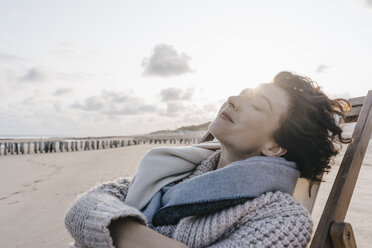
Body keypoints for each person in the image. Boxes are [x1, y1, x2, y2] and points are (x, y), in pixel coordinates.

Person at [64, 71, 351, 248]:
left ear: (274, 146)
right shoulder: (183, 170)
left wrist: (107, 230)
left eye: (257, 105)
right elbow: (84, 206)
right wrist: (128, 234)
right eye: (241, 94)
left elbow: (93, 215)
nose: (233, 100)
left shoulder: (283, 217)